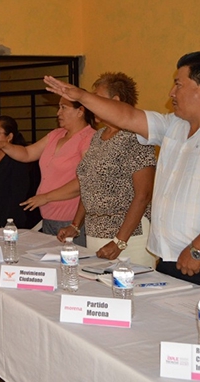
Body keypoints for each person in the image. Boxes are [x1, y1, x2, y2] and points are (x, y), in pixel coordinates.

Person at [44, 51, 200, 298]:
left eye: (178, 84)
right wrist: (81, 96)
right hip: (170, 260)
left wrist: (198, 249)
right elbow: (127, 116)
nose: (172, 92)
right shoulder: (175, 126)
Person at [56, 73, 156, 267]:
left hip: (129, 238)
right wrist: (75, 225)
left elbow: (143, 195)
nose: (91, 104)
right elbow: (90, 185)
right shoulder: (98, 136)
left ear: (115, 101)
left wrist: (120, 241)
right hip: (95, 233)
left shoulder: (136, 136)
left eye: (97, 98)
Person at [0, 97, 95, 244]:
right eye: (59, 107)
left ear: (80, 111)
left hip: (72, 220)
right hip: (48, 217)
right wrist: (4, 145)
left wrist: (46, 197)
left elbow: (85, 182)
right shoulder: (56, 134)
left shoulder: (89, 138)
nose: (58, 113)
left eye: (63, 108)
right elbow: (27, 153)